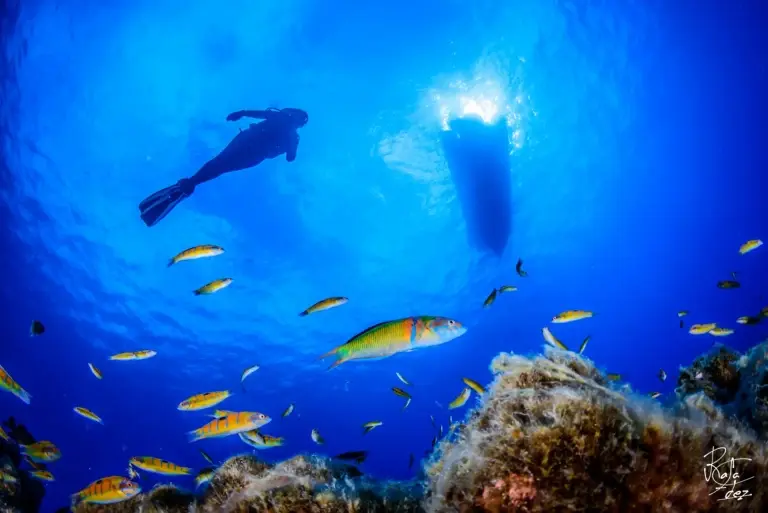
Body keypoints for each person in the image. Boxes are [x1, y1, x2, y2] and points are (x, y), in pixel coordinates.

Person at [139, 107, 309, 227]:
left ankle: (189, 183)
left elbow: (260, 115)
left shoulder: (284, 123)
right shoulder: (288, 129)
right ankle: (189, 184)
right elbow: (291, 158)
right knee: (220, 166)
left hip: (249, 144)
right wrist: (291, 140)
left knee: (219, 164)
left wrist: (240, 113)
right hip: (254, 152)